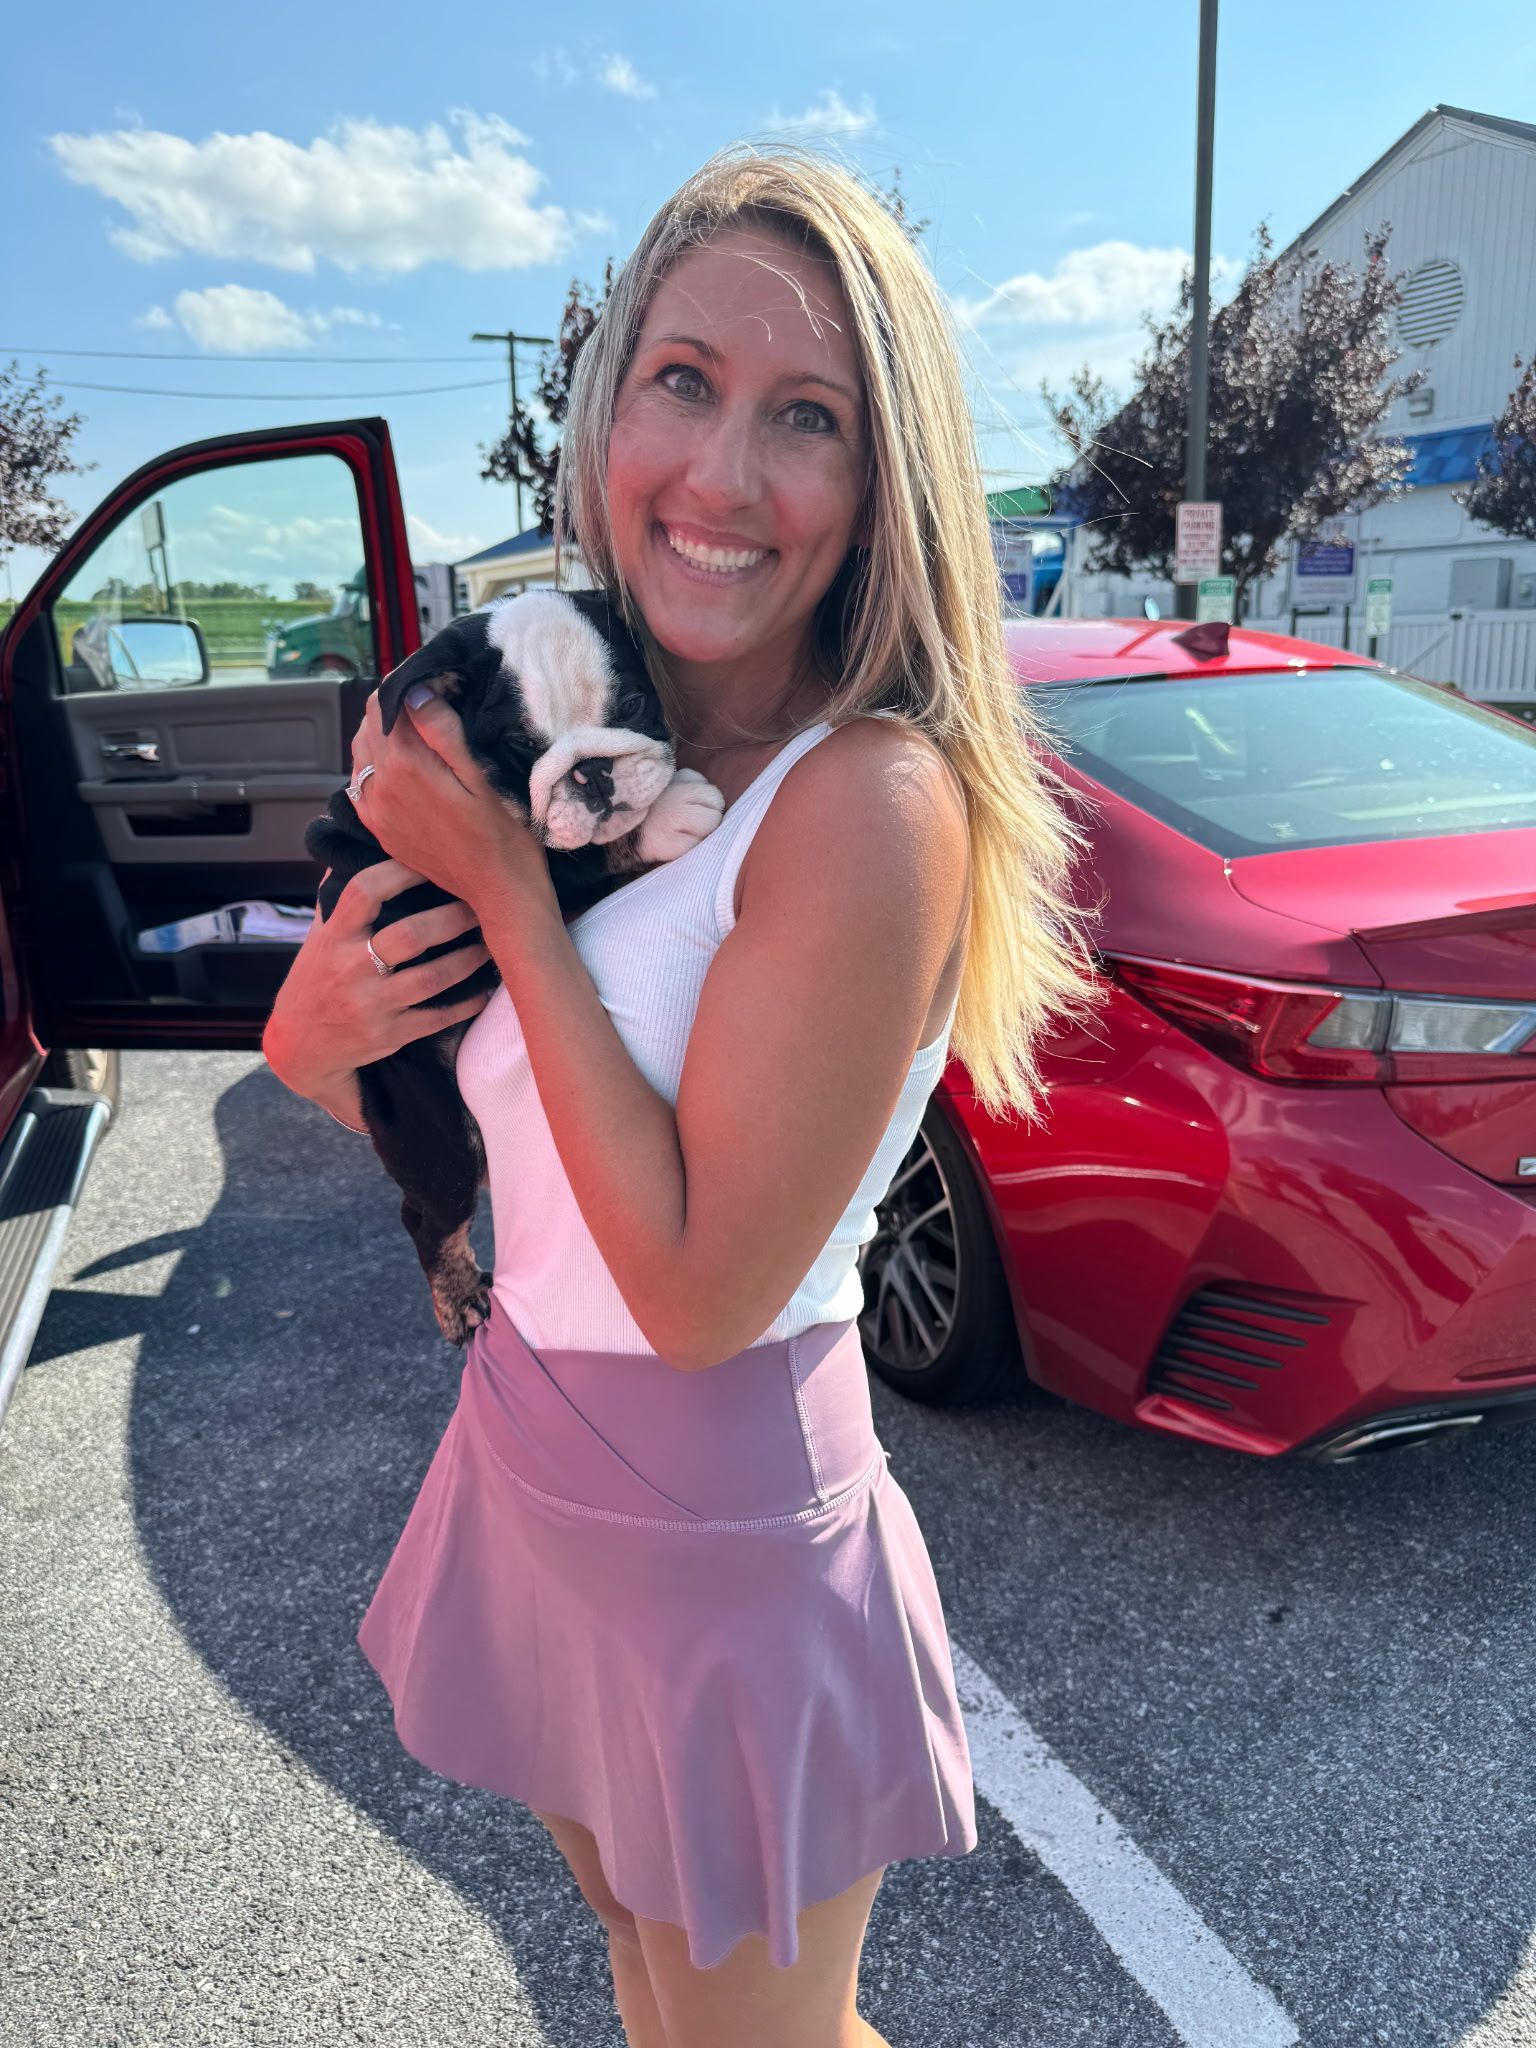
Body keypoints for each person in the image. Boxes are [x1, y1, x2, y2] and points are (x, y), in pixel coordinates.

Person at [264, 140, 1097, 2048]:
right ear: (608, 407)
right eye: (684, 383)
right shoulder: (573, 734)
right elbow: (481, 1122)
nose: (725, 476)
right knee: (653, 1986)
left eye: (806, 415)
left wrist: (504, 893)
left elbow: (705, 1290)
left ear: (884, 484)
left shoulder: (863, 802)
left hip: (716, 1518)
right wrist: (320, 1043)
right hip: (533, 1440)